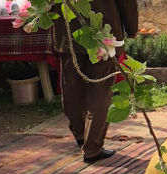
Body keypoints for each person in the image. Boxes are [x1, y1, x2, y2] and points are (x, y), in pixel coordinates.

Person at [51, 0, 138, 163]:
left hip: (68, 30)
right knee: (100, 89)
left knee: (72, 86)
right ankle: (91, 146)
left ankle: (81, 135)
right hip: (103, 29)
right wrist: (132, 27)